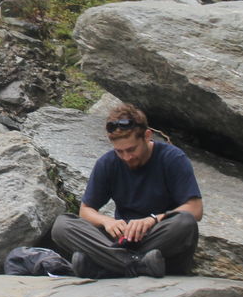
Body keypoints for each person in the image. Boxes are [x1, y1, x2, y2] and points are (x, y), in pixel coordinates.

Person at [51, 103, 202, 279]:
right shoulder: (107, 163)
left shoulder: (172, 158)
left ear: (147, 136)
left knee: (185, 223)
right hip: (122, 241)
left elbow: (195, 209)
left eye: (131, 149)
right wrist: (107, 222)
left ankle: (107, 266)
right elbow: (85, 211)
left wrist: (152, 220)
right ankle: (138, 265)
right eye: (119, 151)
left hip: (157, 241)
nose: (126, 157)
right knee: (62, 225)